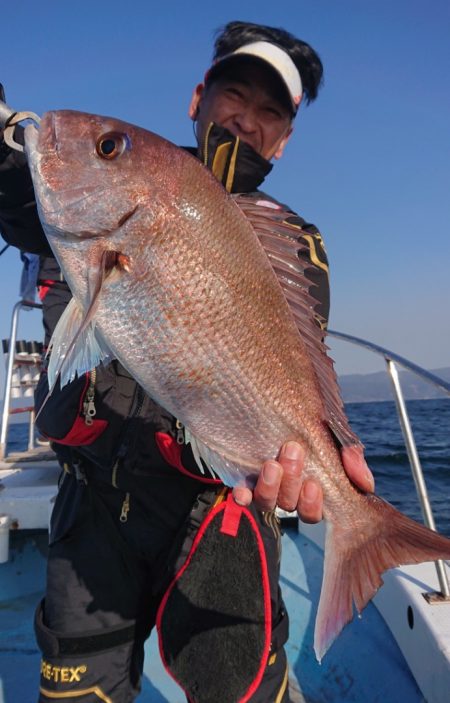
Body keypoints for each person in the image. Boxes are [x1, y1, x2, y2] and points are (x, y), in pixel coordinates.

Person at [0, 20, 373, 703]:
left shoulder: (295, 243)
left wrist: (331, 449)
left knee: (238, 682)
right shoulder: (135, 179)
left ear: (285, 138)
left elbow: (294, 358)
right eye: (236, 93)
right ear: (199, 96)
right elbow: (20, 189)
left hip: (216, 503)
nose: (248, 119)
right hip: (93, 501)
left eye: (272, 112)